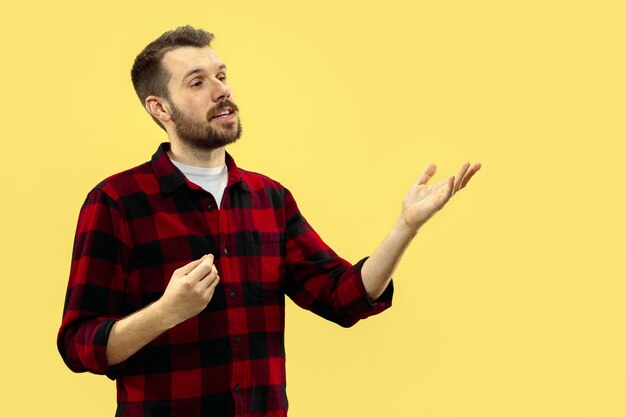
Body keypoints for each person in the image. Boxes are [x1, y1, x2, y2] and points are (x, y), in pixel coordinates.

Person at [57, 25, 481, 417]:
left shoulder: (270, 199)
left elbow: (343, 297)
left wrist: (406, 226)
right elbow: (79, 346)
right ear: (160, 108)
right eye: (197, 82)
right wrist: (167, 312)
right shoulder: (116, 202)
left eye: (221, 75)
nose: (220, 91)